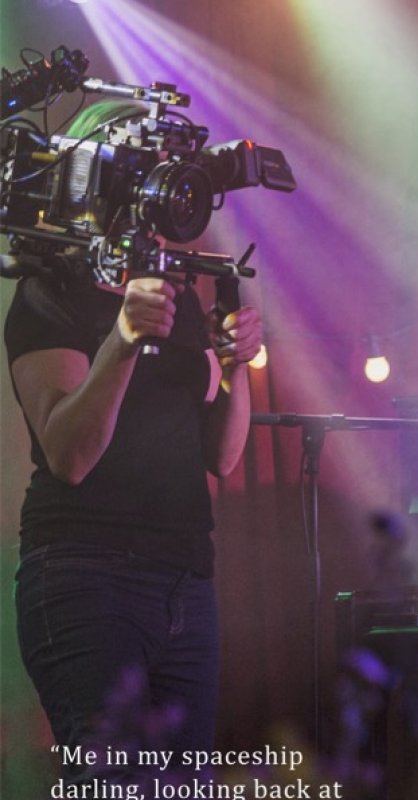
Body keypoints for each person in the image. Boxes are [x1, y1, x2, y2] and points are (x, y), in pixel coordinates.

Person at [4, 102, 262, 787]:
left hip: (184, 578)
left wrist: (240, 364)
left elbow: (223, 456)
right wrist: (122, 338)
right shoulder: (48, 290)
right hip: (88, 575)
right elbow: (71, 455)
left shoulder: (174, 288)